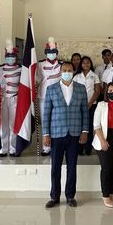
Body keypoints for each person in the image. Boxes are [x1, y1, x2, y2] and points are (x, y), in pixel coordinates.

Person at [43, 62, 89, 208]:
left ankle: (70, 196)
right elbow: (46, 113)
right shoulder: (51, 89)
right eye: (64, 70)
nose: (67, 72)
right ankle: (54, 197)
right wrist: (46, 134)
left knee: (72, 166)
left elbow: (85, 112)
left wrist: (85, 131)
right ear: (60, 71)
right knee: (55, 167)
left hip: (75, 133)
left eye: (69, 70)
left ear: (74, 72)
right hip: (56, 133)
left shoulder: (81, 89)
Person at [37, 37, 62, 156]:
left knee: (57, 122)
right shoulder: (40, 64)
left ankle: (56, 146)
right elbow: (36, 80)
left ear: (57, 53)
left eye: (53, 52)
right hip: (43, 96)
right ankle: (45, 147)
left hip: (58, 97)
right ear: (45, 53)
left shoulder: (61, 65)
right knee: (45, 121)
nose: (51, 55)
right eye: (49, 53)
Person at [73, 56, 101, 156]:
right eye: (84, 63)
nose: (86, 64)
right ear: (81, 64)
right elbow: (73, 91)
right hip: (78, 106)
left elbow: (97, 91)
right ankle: (79, 148)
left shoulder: (94, 76)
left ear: (91, 64)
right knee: (79, 127)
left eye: (88, 62)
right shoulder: (76, 76)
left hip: (91, 105)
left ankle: (88, 148)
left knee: (89, 127)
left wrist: (89, 104)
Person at [0, 41, 22, 157]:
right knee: (3, 124)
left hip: (14, 99)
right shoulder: (0, 69)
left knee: (13, 124)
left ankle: (12, 148)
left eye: (12, 57)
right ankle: (3, 147)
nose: (10, 58)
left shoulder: (20, 69)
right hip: (3, 99)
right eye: (8, 57)